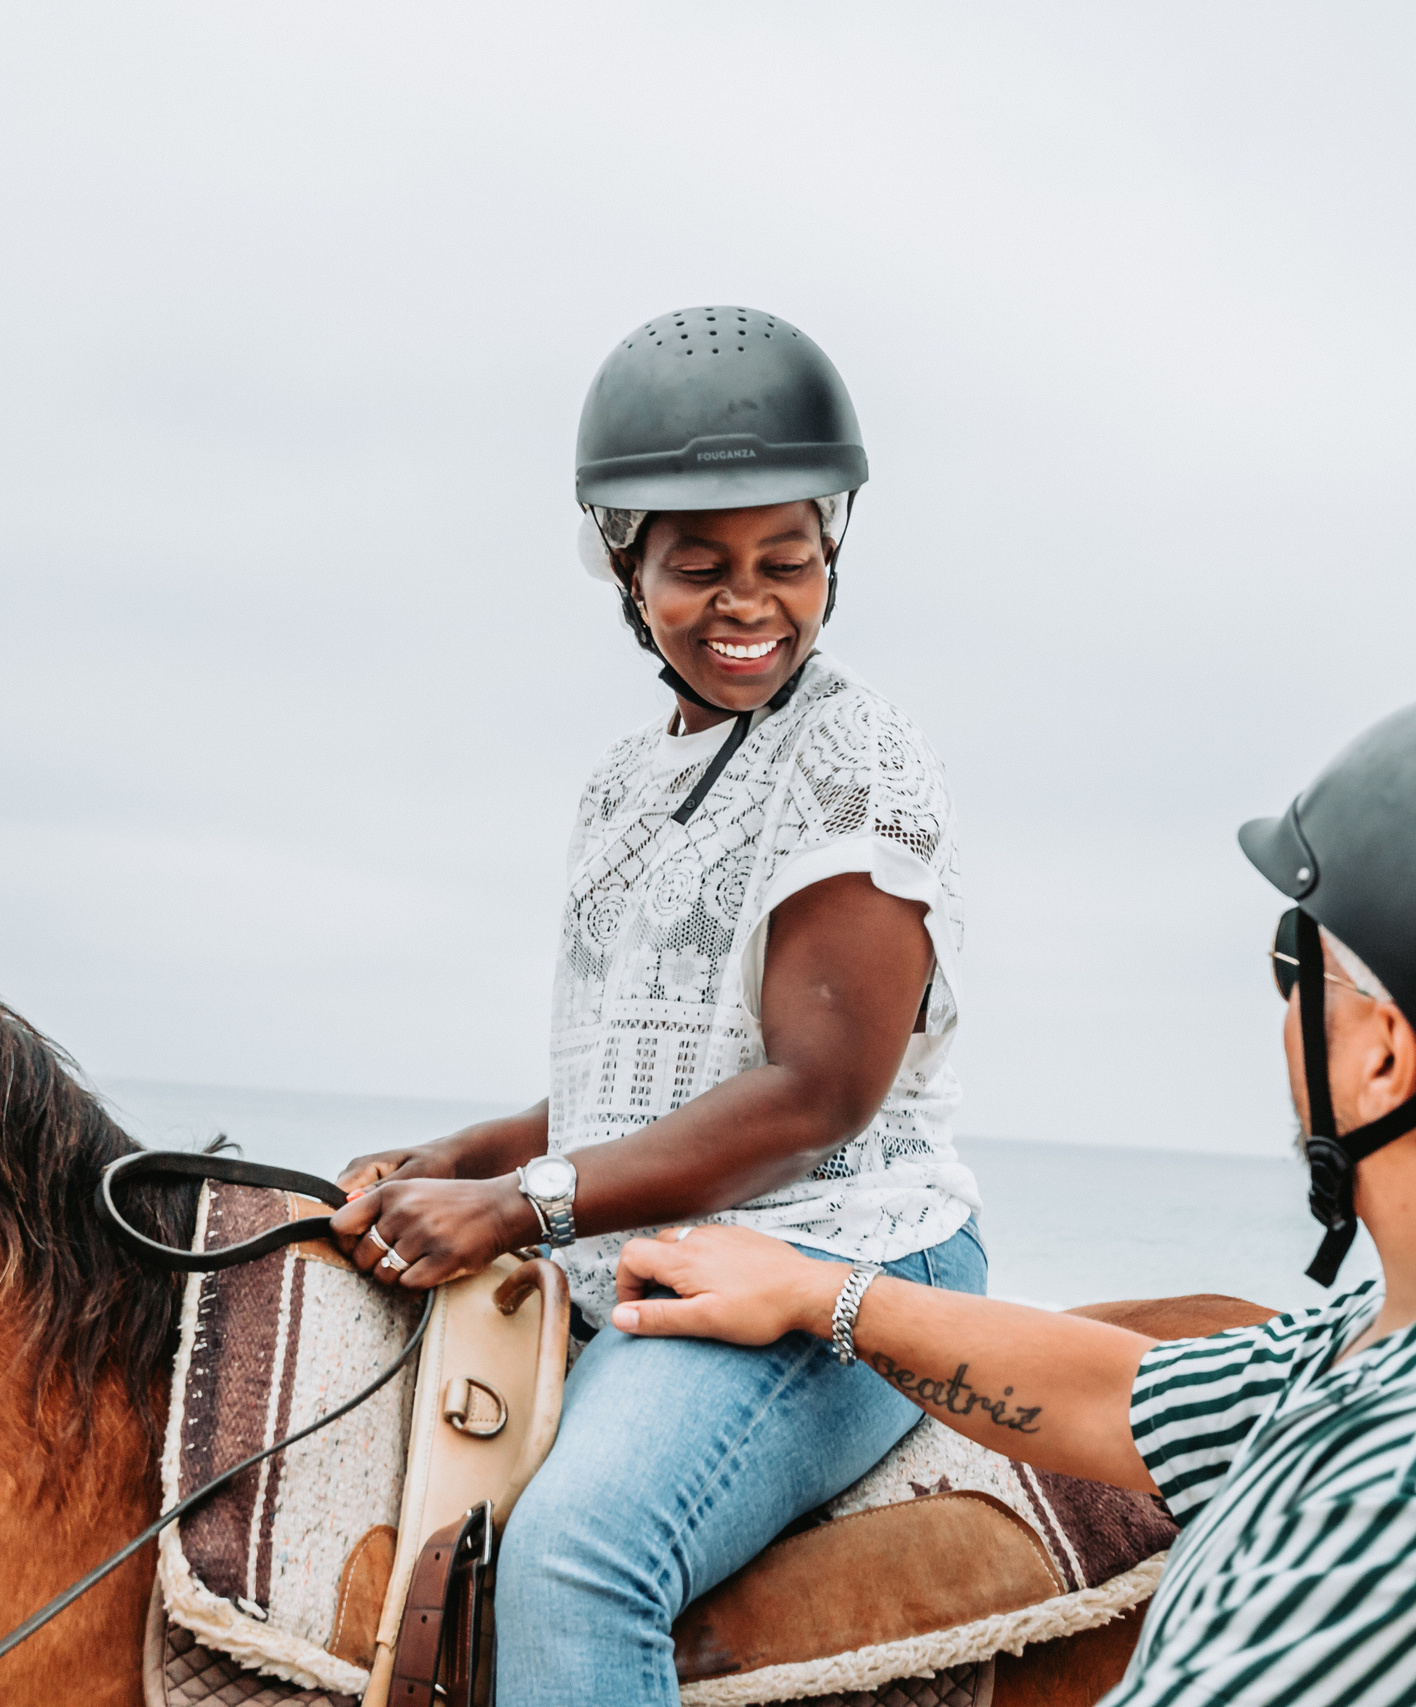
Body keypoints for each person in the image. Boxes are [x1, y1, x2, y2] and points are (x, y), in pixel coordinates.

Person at [607, 684, 1416, 1707]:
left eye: (1291, 966)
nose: (1279, 1011)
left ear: (1383, 1056)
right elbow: (1128, 1397)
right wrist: (820, 1293)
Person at [327, 306, 986, 1706]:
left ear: (832, 551)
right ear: (624, 568)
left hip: (839, 1253)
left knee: (576, 1556)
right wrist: (469, 1150)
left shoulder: (856, 756)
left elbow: (814, 1095)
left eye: (787, 560)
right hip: (659, 1246)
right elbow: (654, 1077)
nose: (749, 602)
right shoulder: (625, 778)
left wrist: (520, 1203)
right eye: (700, 568)